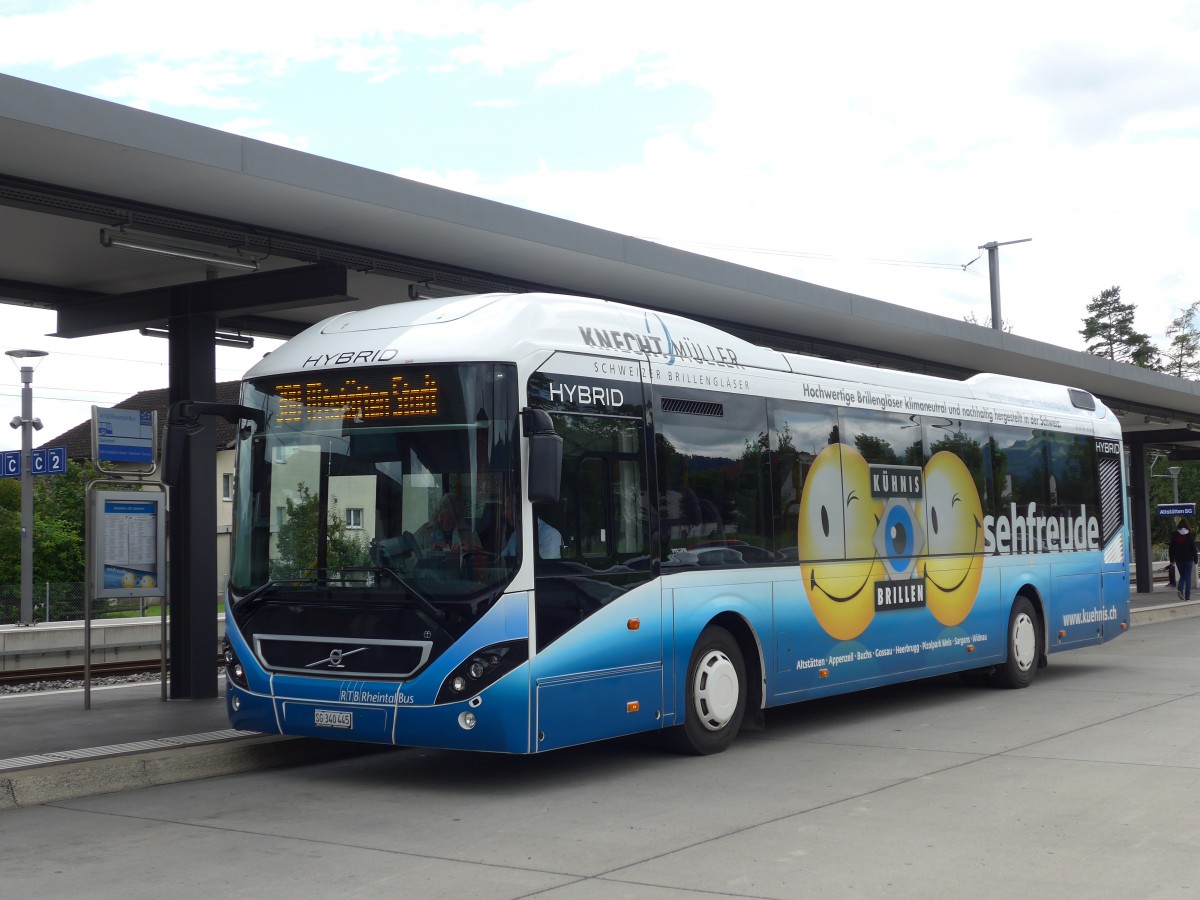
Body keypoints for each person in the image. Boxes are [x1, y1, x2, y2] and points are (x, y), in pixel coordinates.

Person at [414, 493, 481, 554]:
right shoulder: (425, 530)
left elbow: (484, 557)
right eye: (442, 517)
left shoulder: (468, 532)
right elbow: (408, 557)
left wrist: (470, 549)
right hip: (431, 567)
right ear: (437, 514)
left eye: (450, 518)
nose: (445, 522)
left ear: (457, 518)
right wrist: (430, 552)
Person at [501, 495, 562, 559]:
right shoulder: (515, 535)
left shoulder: (550, 535)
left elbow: (545, 567)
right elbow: (502, 561)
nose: (504, 513)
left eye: (507, 509)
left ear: (519, 510)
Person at [1169, 518, 1198, 601]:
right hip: (1188, 559)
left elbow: (1171, 548)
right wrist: (1196, 559)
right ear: (1187, 526)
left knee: (1183, 576)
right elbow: (1193, 548)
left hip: (1178, 559)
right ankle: (1187, 597)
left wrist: (1171, 560)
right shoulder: (1189, 535)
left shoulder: (1175, 535)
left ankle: (1180, 589)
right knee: (1187, 577)